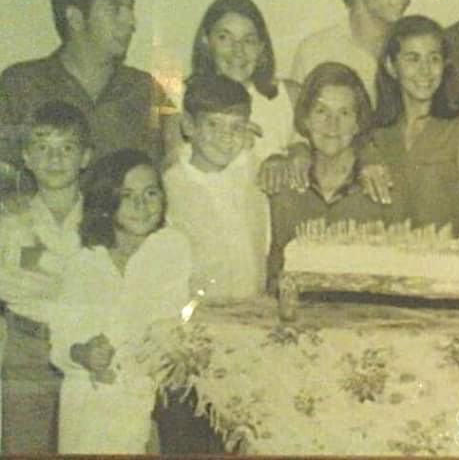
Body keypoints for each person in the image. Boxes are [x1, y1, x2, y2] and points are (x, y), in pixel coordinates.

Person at [46, 149, 191, 453]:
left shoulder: (172, 248)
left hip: (149, 400)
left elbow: (171, 324)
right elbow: (61, 344)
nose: (141, 205)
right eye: (126, 195)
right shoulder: (84, 260)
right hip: (89, 408)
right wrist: (83, 352)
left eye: (151, 193)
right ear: (106, 201)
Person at [0, 0, 178, 185]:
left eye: (130, 8)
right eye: (115, 9)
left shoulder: (146, 91)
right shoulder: (20, 87)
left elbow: (170, 178)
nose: (130, 21)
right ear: (75, 18)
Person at [0, 102, 91, 453]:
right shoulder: (10, 220)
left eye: (66, 148)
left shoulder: (100, 219)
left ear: (85, 157)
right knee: (25, 445)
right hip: (28, 348)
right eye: (43, 148)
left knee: (83, 442)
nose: (55, 159)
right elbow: (7, 285)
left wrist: (44, 277)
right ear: (27, 157)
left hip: (85, 347)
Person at [268, 62, 405, 281]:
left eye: (344, 113)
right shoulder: (284, 188)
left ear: (358, 123)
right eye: (322, 111)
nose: (332, 124)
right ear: (305, 118)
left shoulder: (382, 186)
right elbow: (275, 271)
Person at [371, 15, 459, 234]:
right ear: (392, 67)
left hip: (445, 263)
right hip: (386, 261)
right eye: (413, 59)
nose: (425, 70)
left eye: (433, 59)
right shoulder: (378, 134)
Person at [163, 74, 268, 304]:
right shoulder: (170, 187)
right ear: (189, 126)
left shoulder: (255, 171)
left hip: (254, 309)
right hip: (199, 315)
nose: (226, 137)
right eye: (213, 124)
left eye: (236, 127)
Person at [189, 0, 304, 193]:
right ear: (206, 42)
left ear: (261, 47)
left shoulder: (289, 96)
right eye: (225, 38)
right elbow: (175, 173)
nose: (238, 51)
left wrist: (293, 155)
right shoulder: (182, 99)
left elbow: (318, 151)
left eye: (248, 40)